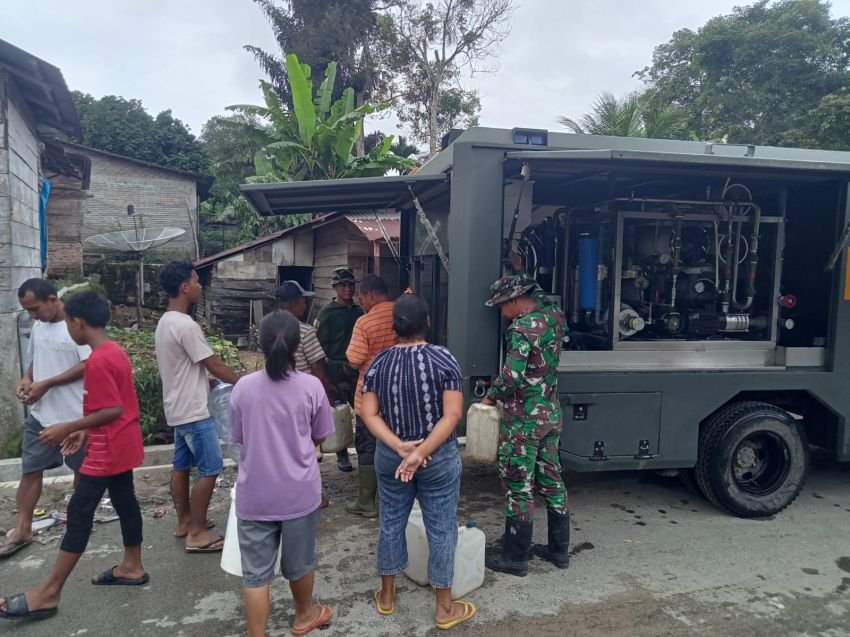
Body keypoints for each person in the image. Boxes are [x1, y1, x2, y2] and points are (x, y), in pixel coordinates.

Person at [0, 292, 147, 622]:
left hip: (107, 448)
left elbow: (112, 408)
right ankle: (132, 566)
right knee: (125, 500)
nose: (66, 328)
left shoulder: (97, 361)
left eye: (68, 322)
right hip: (121, 440)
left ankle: (49, 592)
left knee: (79, 511)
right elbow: (113, 406)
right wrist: (82, 430)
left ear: (78, 323)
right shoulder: (113, 350)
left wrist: (70, 425)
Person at [360, 294, 477, 630]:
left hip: (390, 457)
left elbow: (369, 413)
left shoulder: (379, 363)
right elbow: (452, 415)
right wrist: (420, 452)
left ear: (394, 325)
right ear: (427, 322)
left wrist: (400, 447)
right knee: (441, 529)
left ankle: (386, 596)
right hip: (436, 458)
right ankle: (444, 609)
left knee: (390, 523)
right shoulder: (444, 359)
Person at [229, 310, 334, 637]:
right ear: (296, 344)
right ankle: (304, 616)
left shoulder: (243, 388)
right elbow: (321, 436)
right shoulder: (312, 386)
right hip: (298, 492)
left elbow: (239, 437)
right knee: (299, 562)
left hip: (255, 494)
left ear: (260, 344)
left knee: (256, 575)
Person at [482, 274, 569, 577]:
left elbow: (511, 377)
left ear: (515, 301)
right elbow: (540, 294)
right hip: (550, 415)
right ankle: (559, 551)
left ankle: (515, 558)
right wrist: (521, 269)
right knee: (552, 479)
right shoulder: (554, 316)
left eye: (501, 306)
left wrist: (489, 398)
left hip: (524, 421)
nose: (500, 311)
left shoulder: (520, 329)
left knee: (519, 484)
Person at [0, 279, 90, 559]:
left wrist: (47, 383)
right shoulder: (39, 326)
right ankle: (23, 528)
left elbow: (89, 363)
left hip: (75, 419)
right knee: (30, 472)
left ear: (52, 299)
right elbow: (34, 360)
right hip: (40, 416)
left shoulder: (76, 325)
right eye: (28, 311)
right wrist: (28, 379)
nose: (32, 316)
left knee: (82, 475)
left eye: (35, 308)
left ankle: (78, 526)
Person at [155, 260, 240, 553]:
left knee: (180, 466)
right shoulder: (186, 325)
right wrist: (243, 382)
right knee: (210, 468)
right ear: (184, 287)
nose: (199, 285)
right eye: (196, 280)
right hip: (195, 411)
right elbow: (213, 363)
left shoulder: (165, 321)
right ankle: (197, 533)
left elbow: (187, 367)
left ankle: (185, 522)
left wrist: (207, 381)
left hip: (177, 408)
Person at [276, 280, 334, 507]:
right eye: (302, 300)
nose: (305, 303)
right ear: (293, 304)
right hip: (303, 399)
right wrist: (326, 398)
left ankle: (285, 491)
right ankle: (311, 495)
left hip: (276, 397)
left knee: (284, 448)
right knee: (308, 449)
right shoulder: (305, 331)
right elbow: (318, 368)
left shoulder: (268, 327)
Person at [344, 274, 397, 518]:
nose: (362, 303)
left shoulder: (364, 322)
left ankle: (367, 501)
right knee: (397, 443)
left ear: (371, 295)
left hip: (370, 397)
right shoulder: (404, 313)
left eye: (362, 298)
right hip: (400, 394)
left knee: (368, 446)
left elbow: (354, 360)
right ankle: (396, 498)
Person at [314, 267, 364, 472]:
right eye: (343, 285)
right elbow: (316, 344)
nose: (348, 289)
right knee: (338, 413)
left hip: (356, 370)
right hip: (334, 370)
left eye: (351, 285)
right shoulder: (327, 313)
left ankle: (364, 450)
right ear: (335, 287)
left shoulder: (359, 312)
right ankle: (342, 454)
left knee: (362, 411)